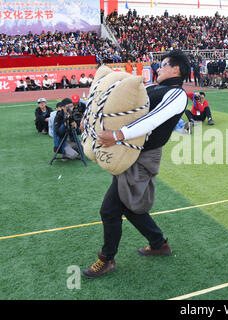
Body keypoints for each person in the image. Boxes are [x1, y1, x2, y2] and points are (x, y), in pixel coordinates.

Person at [82, 49, 191, 279]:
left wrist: (119, 135)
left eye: (164, 64)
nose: (158, 67)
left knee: (110, 209)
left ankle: (107, 259)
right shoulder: (152, 87)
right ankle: (159, 243)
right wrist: (90, 120)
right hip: (127, 153)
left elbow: (152, 120)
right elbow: (119, 109)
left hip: (142, 157)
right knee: (129, 206)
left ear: (176, 70)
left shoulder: (177, 94)